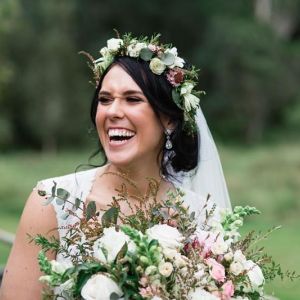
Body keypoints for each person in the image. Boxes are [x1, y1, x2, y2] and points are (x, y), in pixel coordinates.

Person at [0, 33, 231, 299]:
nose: (112, 112)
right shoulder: (52, 202)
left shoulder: (202, 217)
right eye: (105, 99)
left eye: (132, 99)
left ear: (169, 118)